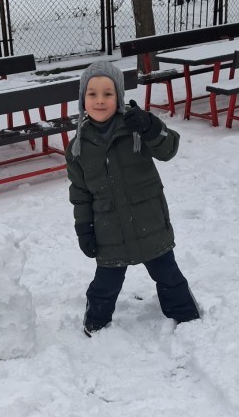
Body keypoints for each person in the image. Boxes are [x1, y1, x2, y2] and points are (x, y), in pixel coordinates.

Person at [66, 59, 200, 337]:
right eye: (92, 94)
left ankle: (188, 318)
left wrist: (150, 126)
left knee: (168, 275)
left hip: (149, 221)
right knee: (105, 285)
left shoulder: (136, 126)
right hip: (109, 230)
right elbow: (80, 193)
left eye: (108, 93)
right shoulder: (78, 146)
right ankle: (96, 324)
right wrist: (84, 228)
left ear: (119, 97)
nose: (100, 100)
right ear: (82, 100)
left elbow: (169, 148)